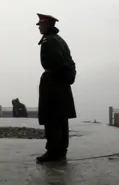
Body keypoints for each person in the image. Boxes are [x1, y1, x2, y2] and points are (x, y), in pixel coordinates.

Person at [36, 13, 77, 163]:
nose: (39, 27)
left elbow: (57, 63)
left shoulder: (50, 41)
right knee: (61, 119)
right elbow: (69, 62)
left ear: (47, 26)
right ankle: (61, 151)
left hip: (53, 84)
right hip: (61, 84)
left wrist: (55, 78)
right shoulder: (60, 40)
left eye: (41, 25)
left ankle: (53, 152)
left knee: (51, 119)